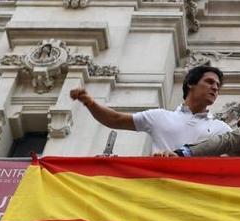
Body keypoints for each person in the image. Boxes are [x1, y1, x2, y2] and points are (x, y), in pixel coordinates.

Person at [70, 65, 231, 154]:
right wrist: (90, 103)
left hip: (199, 195)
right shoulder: (160, 117)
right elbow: (115, 120)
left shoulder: (221, 128)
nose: (215, 88)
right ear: (191, 84)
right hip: (160, 189)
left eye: (218, 85)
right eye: (210, 82)